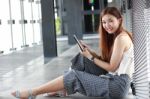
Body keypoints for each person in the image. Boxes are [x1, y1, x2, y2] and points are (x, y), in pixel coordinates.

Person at [11, 7, 134, 99]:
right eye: (104, 22)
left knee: (74, 76)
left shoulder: (121, 38)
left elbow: (112, 66)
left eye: (110, 21)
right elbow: (109, 62)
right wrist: (90, 52)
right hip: (114, 79)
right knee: (82, 59)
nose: (107, 25)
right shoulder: (116, 36)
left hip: (117, 86)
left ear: (120, 20)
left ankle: (33, 92)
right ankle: (62, 88)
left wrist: (91, 57)